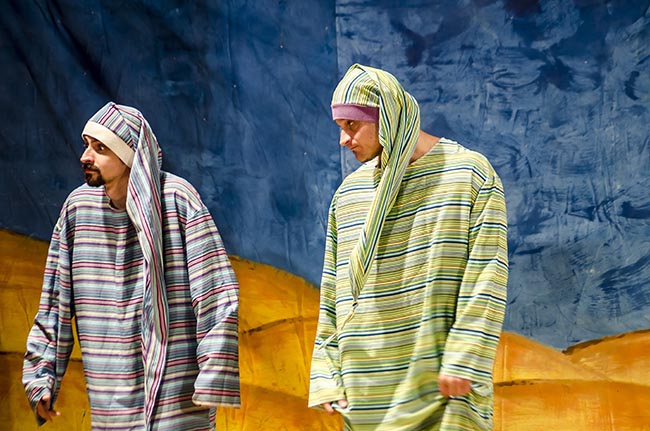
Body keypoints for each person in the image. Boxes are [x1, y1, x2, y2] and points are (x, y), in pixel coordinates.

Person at [308, 64, 508, 430]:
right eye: (340, 127)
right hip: (366, 396)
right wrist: (327, 371)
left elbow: (486, 275)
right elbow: (334, 292)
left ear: (387, 114)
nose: (343, 140)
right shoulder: (349, 195)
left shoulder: (467, 176)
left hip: (442, 388)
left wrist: (464, 357)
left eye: (352, 125)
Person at [23, 102, 241, 430]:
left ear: (131, 155)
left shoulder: (178, 201)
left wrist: (212, 374)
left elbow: (217, 293)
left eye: (100, 148)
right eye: (86, 145)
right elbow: (55, 302)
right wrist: (42, 377)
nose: (85, 156)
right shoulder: (78, 210)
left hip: (176, 398)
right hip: (111, 397)